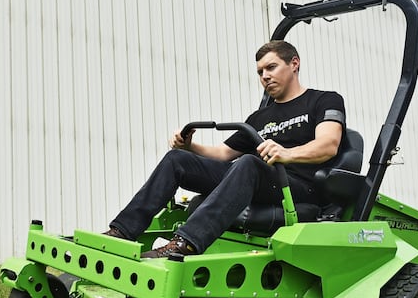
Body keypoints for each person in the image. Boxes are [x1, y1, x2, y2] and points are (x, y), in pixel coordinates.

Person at [103, 40, 347, 258]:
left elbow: (328, 145)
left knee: (249, 163)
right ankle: (121, 232)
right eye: (260, 72)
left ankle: (185, 243)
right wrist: (190, 146)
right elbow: (223, 154)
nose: (265, 76)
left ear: (294, 63)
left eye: (271, 67)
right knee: (177, 159)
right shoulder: (259, 117)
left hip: (296, 186)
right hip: (258, 179)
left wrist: (287, 153)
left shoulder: (324, 99)